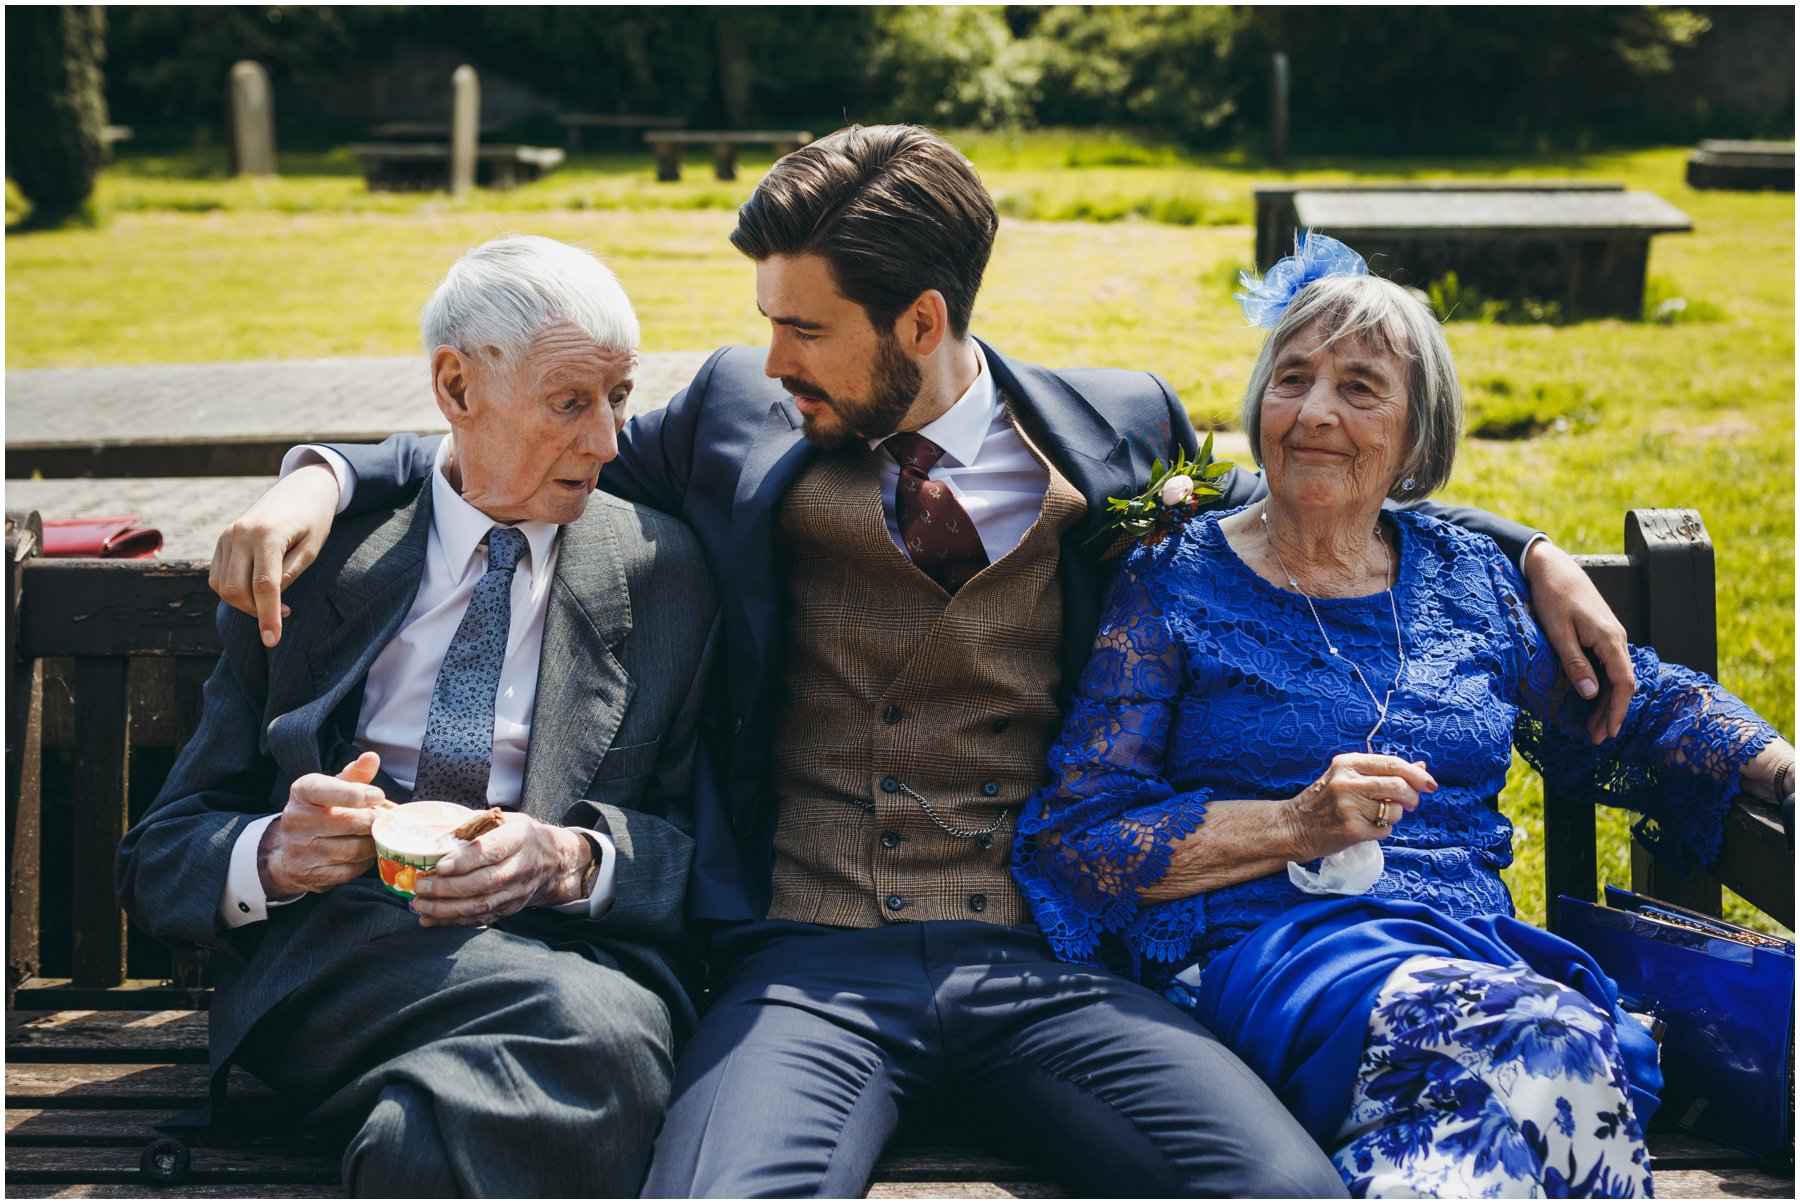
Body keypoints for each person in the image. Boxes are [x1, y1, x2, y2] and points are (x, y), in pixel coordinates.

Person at [207, 126, 1641, 1198]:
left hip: (1044, 968)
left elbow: (1315, 479)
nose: (770, 356)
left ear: (923, 324)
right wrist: (321, 477)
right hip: (804, 966)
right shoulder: (728, 415)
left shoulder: (1114, 428)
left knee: (1279, 1193)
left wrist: (1519, 549)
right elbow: (488, 439)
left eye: (802, 327)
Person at [1010, 237, 1795, 1197]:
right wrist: (1295, 824)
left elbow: (1631, 705)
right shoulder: (1174, 585)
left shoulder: (1467, 581)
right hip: (1271, 959)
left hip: (1468, 958)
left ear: (1419, 438)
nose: (1315, 413)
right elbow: (1079, 840)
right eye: (1291, 379)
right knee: (1551, 1047)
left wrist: (1777, 765)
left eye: (1360, 388)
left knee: (1497, 1120)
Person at [116, 235, 721, 1198]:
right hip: (341, 957)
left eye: (620, 398)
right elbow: (158, 853)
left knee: (453, 1117)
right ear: (457, 388)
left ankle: (413, 1133)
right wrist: (273, 854)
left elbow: (709, 848)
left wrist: (569, 862)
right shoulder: (314, 569)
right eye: (571, 403)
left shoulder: (663, 572)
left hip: (558, 949)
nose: (606, 441)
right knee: (595, 1041)